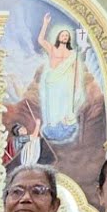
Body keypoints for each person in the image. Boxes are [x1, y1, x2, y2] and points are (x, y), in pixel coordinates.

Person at [36, 13, 82, 142]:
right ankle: (53, 127)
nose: (65, 37)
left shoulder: (72, 53)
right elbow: (40, 40)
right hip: (53, 80)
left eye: (67, 36)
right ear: (58, 37)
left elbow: (76, 70)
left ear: (69, 39)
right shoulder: (52, 49)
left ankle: (64, 126)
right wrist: (45, 24)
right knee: (54, 104)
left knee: (65, 104)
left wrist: (77, 85)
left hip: (66, 81)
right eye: (63, 35)